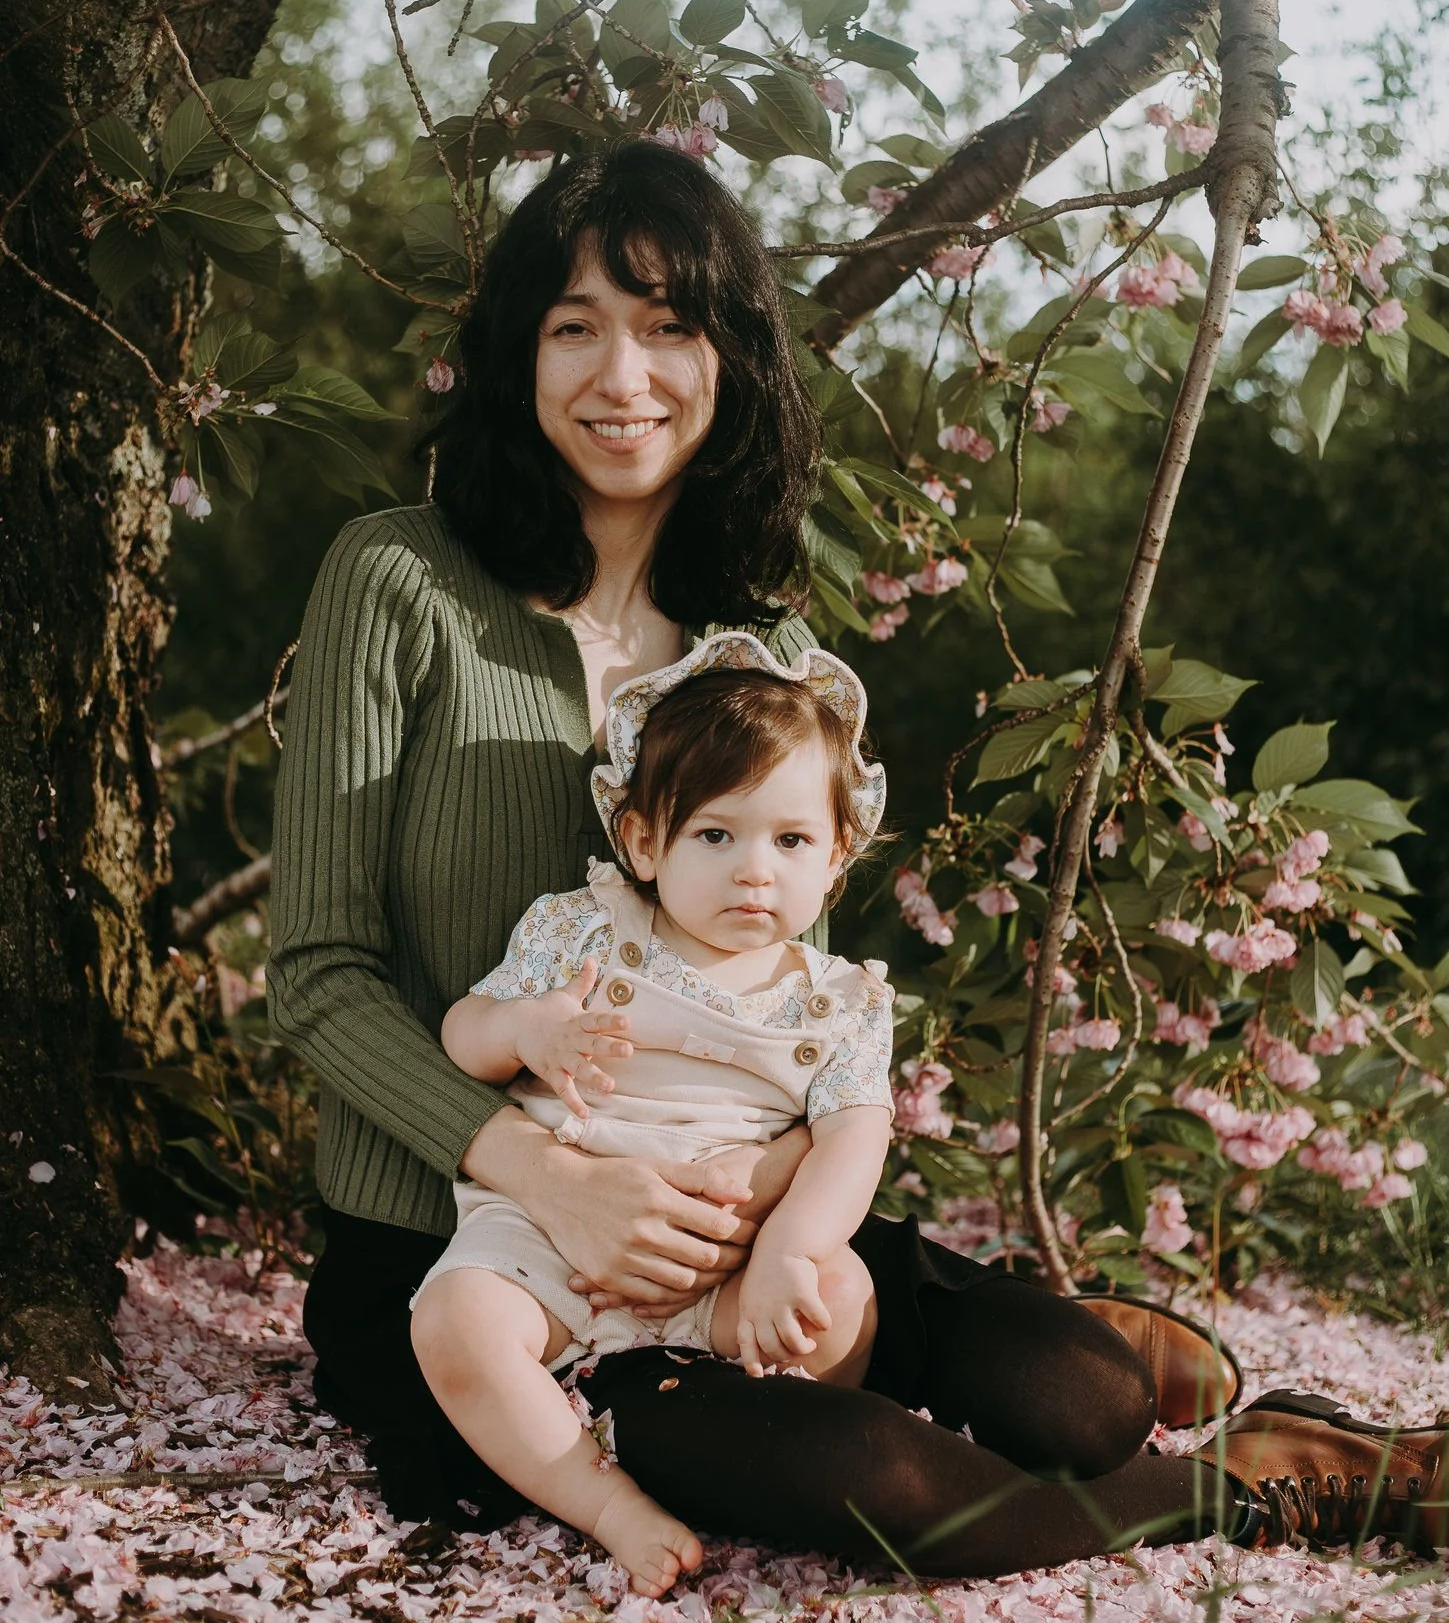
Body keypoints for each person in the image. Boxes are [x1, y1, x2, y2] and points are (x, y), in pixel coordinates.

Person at [268, 141, 1449, 1578]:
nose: (618, 375)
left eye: (667, 327)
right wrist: (544, 1169)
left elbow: (800, 993)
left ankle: (1086, 1352)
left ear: (730, 359)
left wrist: (772, 1200)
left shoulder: (771, 659)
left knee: (1089, 1399)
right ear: (518, 354)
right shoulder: (396, 582)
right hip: (476, 1257)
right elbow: (318, 975)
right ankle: (1240, 1489)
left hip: (743, 1214)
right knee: (894, 1486)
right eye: (573, 326)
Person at [412, 636, 895, 1593]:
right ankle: (606, 1504)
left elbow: (854, 1133)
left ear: (837, 855)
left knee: (840, 1303)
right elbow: (462, 1035)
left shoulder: (839, 1001)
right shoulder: (582, 927)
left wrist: (787, 1253)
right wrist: (526, 1029)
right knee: (455, 1323)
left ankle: (760, 1447)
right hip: (552, 1233)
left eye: (789, 841)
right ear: (641, 841)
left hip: (724, 1262)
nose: (753, 872)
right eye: (714, 836)